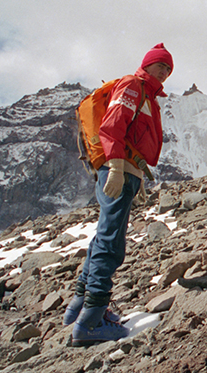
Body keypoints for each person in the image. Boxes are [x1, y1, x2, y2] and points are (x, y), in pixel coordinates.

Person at [64, 43, 173, 346]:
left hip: (127, 169)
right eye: (160, 66)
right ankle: (90, 321)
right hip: (118, 168)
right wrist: (114, 166)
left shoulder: (147, 93)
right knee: (111, 241)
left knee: (104, 234)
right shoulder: (133, 86)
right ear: (146, 64)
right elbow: (113, 126)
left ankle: (79, 307)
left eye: (167, 69)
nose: (164, 72)